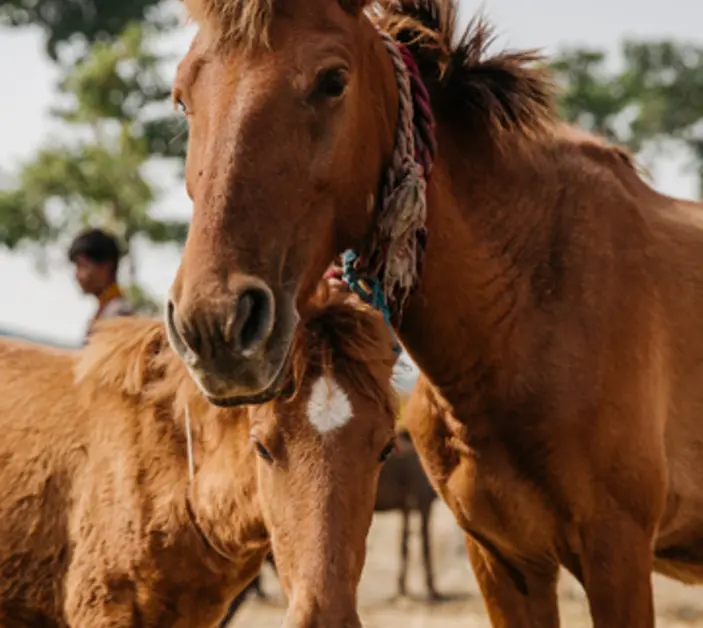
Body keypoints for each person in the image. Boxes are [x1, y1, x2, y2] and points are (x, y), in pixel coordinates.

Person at [68, 228, 135, 344]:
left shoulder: (119, 315)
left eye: (83, 266)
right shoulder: (106, 309)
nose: (77, 275)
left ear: (105, 268)